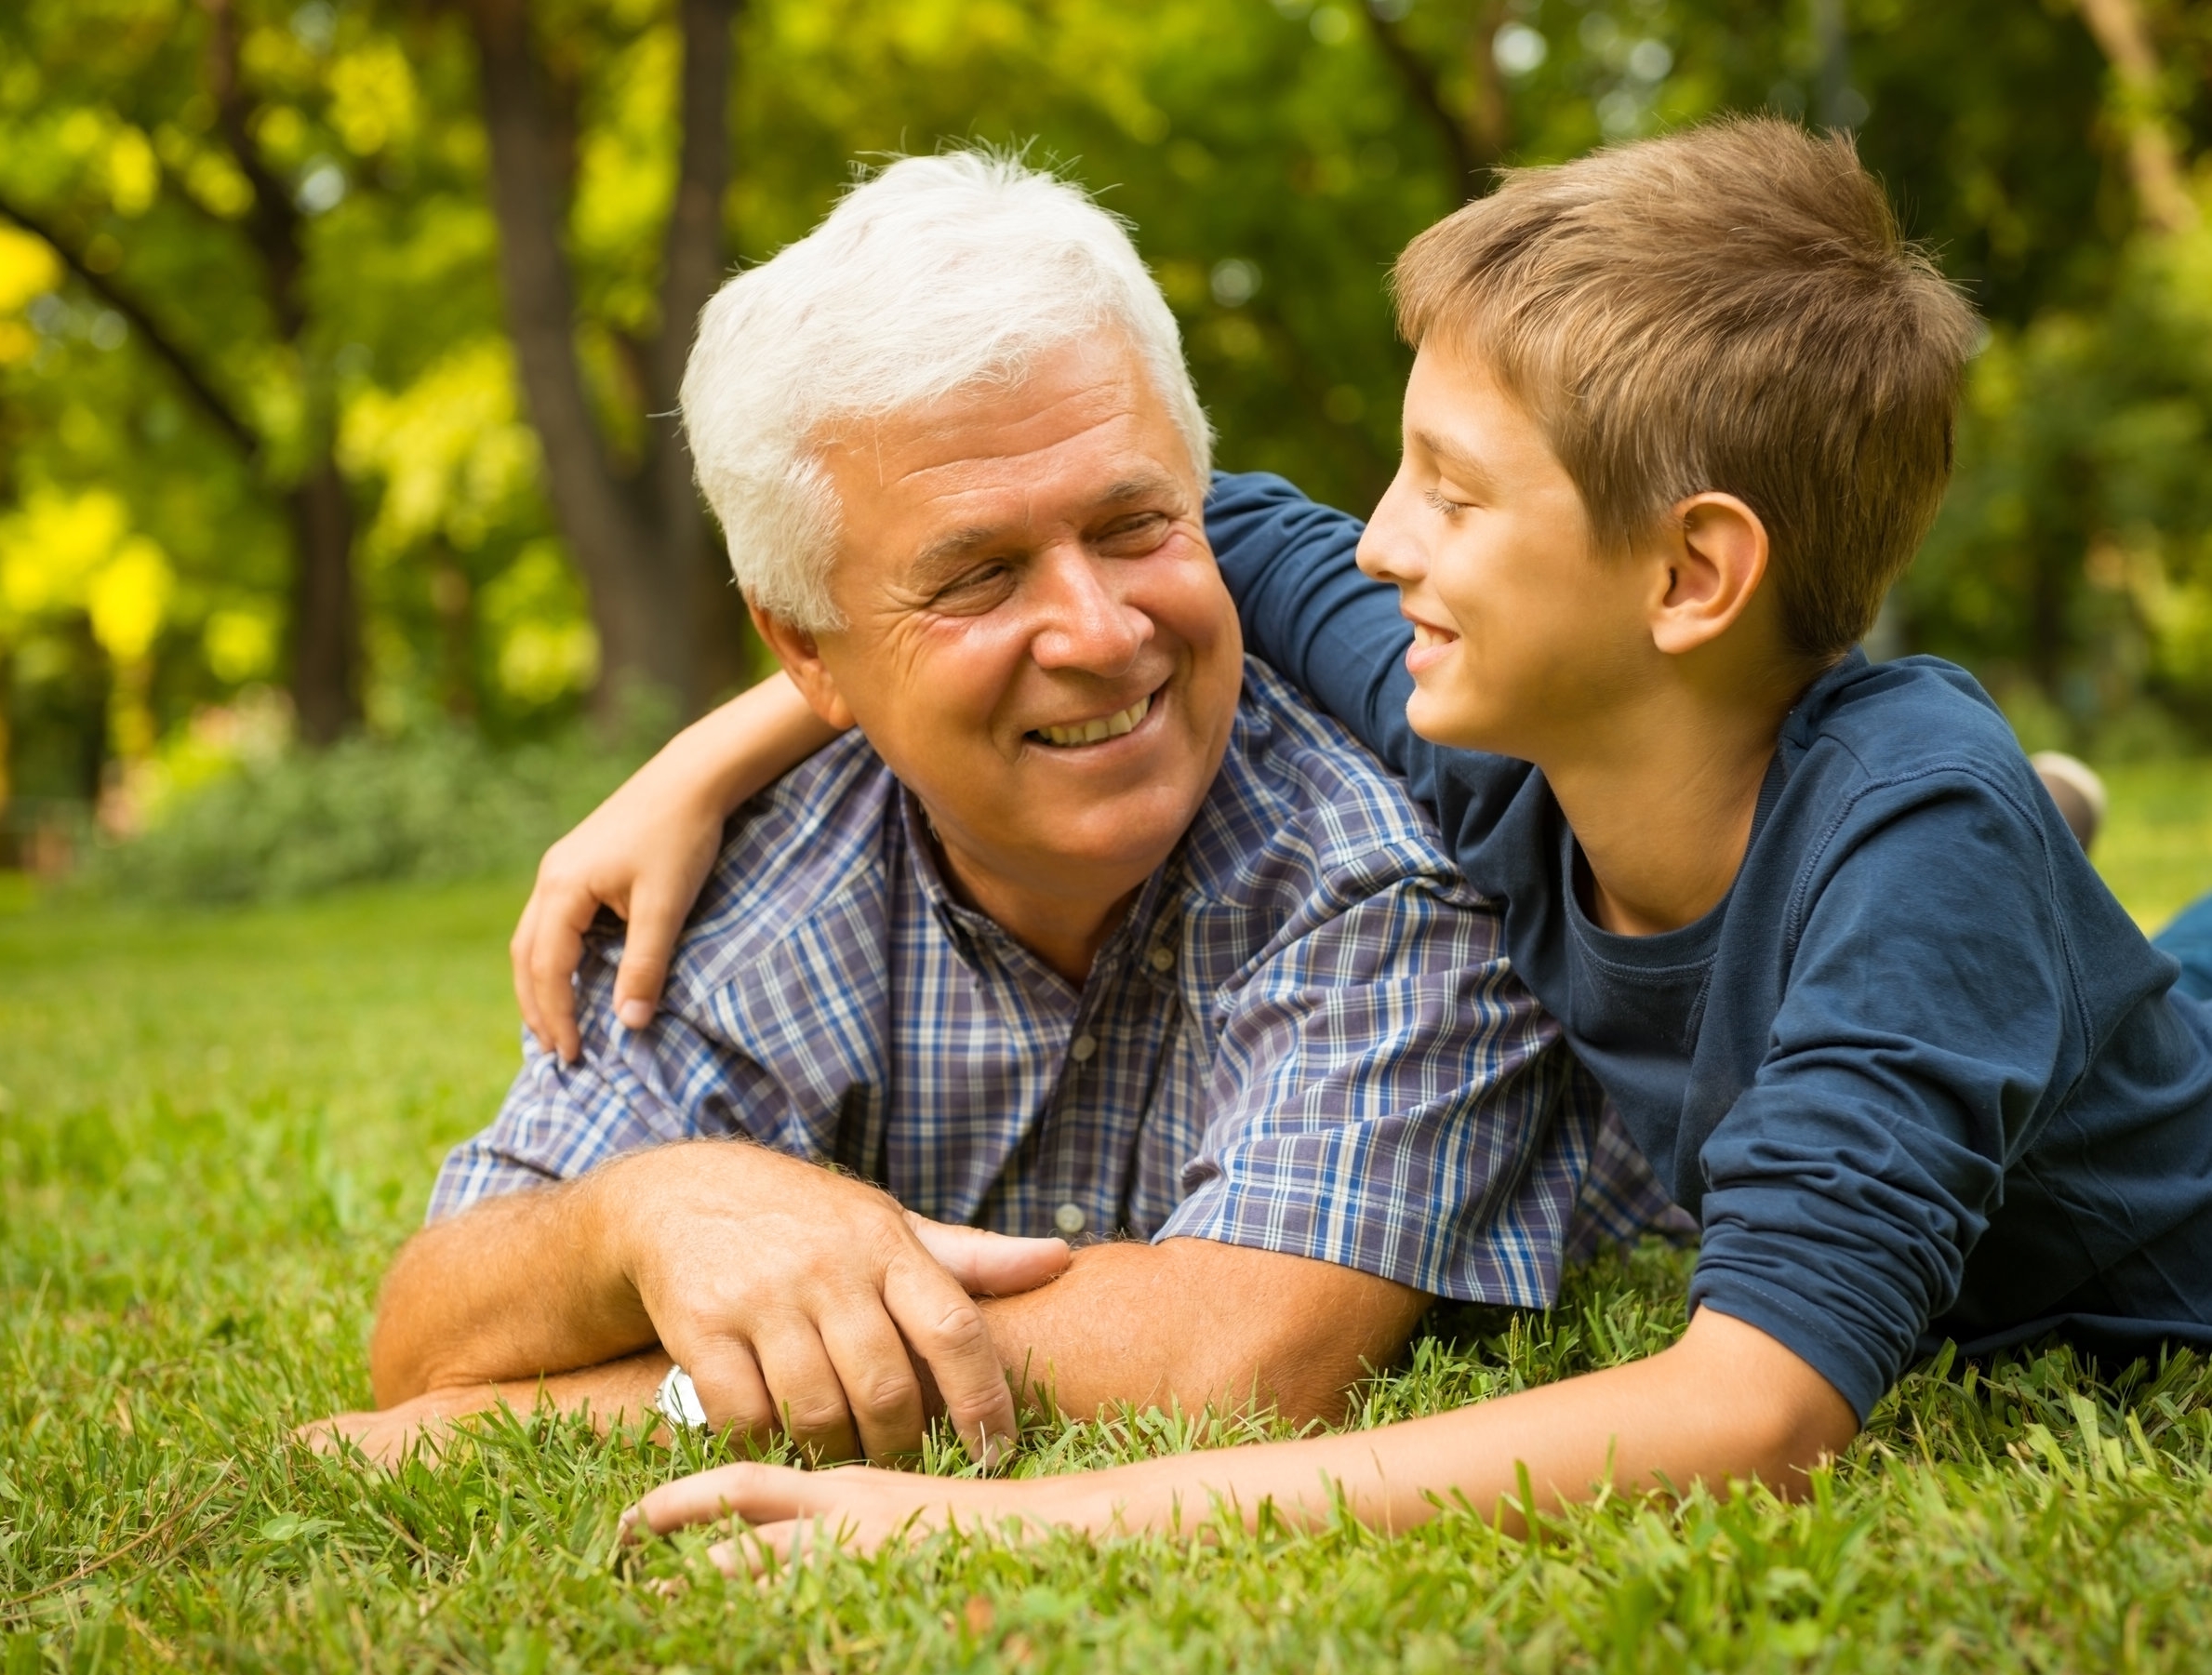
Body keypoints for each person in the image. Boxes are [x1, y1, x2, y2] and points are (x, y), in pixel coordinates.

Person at [522, 119, 2212, 1563]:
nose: (1384, 542)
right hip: (1928, 885)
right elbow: (1193, 529)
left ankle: (2024, 902)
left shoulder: (1902, 823)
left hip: (2149, 1233)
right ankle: (2052, 923)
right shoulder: (1484, 721)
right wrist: (708, 752)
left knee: (1973, 888)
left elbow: (1750, 1407)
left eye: (1451, 494)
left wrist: (990, 1522)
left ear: (1688, 578)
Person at [306, 153, 1669, 1472]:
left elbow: (1243, 1358)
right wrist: (648, 1210)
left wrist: (558, 1414)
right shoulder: (737, 887)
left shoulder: (1400, 838)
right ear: (807, 653)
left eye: (1135, 524)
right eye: (975, 575)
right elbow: (429, 1328)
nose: (1095, 631)